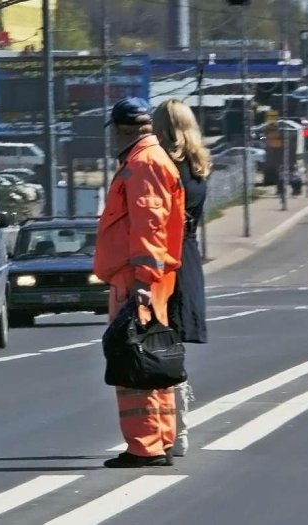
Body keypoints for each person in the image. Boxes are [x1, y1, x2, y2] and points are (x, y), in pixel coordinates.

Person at [94, 97, 185, 468]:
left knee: (133, 356)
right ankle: (159, 439)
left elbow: (149, 223)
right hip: (145, 275)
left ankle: (145, 445)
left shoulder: (143, 164)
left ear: (119, 129)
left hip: (137, 277)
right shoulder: (150, 159)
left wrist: (142, 281)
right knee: (150, 353)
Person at [152, 99, 210, 458]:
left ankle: (169, 429)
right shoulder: (199, 167)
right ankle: (180, 429)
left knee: (156, 346)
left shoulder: (161, 167)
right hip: (189, 257)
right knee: (175, 347)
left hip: (164, 257)